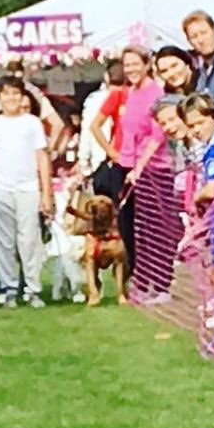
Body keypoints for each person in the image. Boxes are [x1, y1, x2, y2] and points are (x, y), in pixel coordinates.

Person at [0, 78, 53, 309]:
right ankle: (9, 287)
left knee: (29, 240)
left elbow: (42, 157)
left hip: (27, 187)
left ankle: (32, 289)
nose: (10, 98)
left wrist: (46, 193)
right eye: (6, 94)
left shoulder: (32, 123)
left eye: (15, 94)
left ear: (22, 97)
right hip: (0, 188)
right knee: (3, 242)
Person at [89, 47, 162, 275]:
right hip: (124, 165)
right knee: (126, 223)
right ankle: (134, 274)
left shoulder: (157, 94)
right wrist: (113, 152)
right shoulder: (126, 94)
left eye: (135, 64)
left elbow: (156, 134)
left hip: (150, 167)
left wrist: (140, 164)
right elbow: (97, 126)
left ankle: (155, 275)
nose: (130, 69)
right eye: (127, 65)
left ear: (147, 64)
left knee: (151, 224)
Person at [181, 93, 214, 349]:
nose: (195, 130)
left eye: (199, 123)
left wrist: (195, 200)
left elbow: (210, 190)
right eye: (191, 126)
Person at [182, 10, 214, 109]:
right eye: (194, 36)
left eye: (204, 33)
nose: (200, 40)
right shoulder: (200, 75)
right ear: (189, 41)